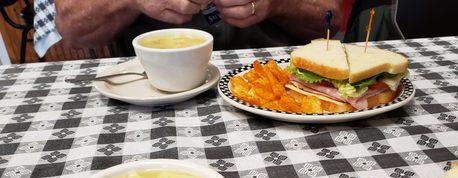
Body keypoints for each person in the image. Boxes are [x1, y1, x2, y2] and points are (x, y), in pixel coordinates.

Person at [55, 0, 343, 54]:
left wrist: (277, 4)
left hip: (275, 86)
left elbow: (330, 19)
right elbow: (72, 30)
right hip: (150, 90)